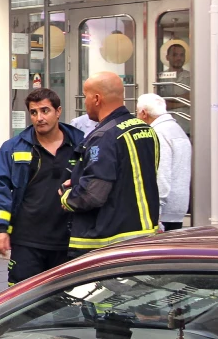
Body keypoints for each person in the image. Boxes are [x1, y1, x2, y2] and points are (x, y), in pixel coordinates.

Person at [0, 89, 83, 285]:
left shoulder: (81, 145)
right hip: (27, 241)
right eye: (34, 112)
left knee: (69, 301)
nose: (39, 118)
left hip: (70, 241)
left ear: (58, 111)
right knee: (23, 301)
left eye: (45, 111)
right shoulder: (13, 148)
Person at [60, 72, 160, 251]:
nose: (85, 102)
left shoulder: (104, 136)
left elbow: (93, 194)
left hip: (106, 242)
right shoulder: (145, 130)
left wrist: (68, 196)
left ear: (97, 99)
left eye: (85, 96)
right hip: (142, 235)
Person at [136, 93, 192, 231]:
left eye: (137, 113)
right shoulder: (177, 130)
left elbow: (162, 173)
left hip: (163, 212)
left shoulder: (159, 133)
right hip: (178, 205)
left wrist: (157, 212)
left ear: (144, 113)